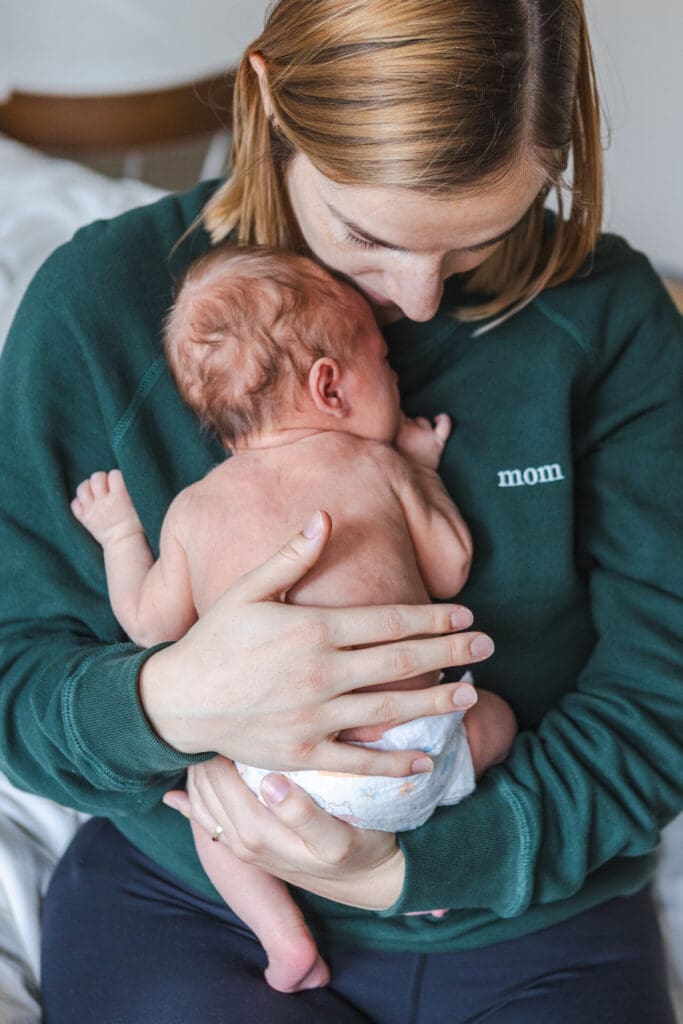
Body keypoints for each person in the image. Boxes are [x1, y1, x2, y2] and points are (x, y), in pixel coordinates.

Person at [0, 1, 680, 1020]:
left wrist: (400, 869)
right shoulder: (98, 305)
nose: (412, 301)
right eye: (365, 234)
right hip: (196, 901)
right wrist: (170, 700)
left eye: (476, 241)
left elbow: (656, 698)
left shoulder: (612, 321)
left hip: (529, 910)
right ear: (269, 100)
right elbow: (16, 672)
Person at [70, 244, 516, 993]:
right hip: (416, 746)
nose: (397, 379)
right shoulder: (377, 468)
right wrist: (424, 471)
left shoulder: (192, 509)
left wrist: (121, 536)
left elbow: (149, 627)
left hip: (281, 776)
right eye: (386, 366)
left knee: (212, 804)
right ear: (329, 387)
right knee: (494, 716)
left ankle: (285, 941)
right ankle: (428, 871)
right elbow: (450, 568)